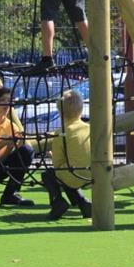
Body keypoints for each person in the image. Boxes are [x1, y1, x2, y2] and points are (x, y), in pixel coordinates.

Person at [42, 89, 92, 220]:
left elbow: (57, 164)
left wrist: (51, 155)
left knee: (49, 175)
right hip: (94, 174)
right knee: (69, 170)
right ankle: (82, 203)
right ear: (81, 109)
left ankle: (57, 202)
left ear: (60, 113)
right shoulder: (90, 128)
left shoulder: (62, 133)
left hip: (74, 175)